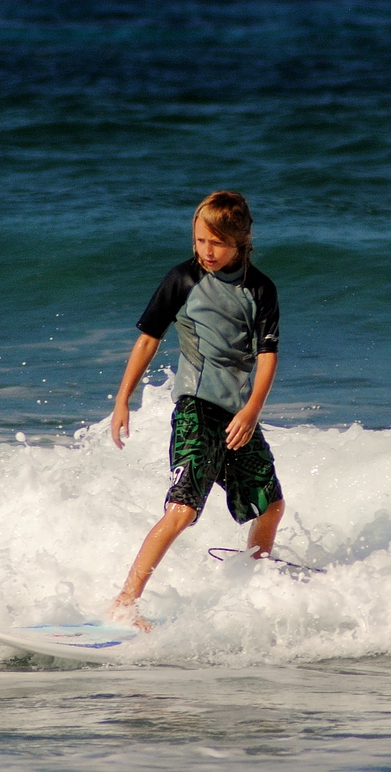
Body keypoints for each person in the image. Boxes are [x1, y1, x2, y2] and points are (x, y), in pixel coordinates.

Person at [109, 190, 284, 630]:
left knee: (271, 505)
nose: (207, 251)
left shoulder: (259, 289)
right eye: (200, 240)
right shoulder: (182, 280)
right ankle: (125, 602)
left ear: (241, 242)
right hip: (195, 409)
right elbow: (149, 338)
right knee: (182, 510)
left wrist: (251, 412)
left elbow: (267, 355)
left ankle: (256, 574)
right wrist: (121, 399)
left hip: (238, 415)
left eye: (218, 243)